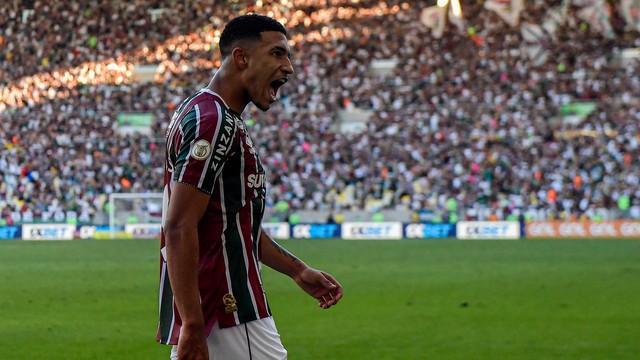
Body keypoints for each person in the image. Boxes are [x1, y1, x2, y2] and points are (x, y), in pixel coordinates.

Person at [156, 14, 343, 360]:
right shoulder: (212, 122)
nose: (288, 67)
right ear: (241, 57)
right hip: (226, 306)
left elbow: (233, 226)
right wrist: (194, 326)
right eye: (277, 54)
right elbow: (179, 226)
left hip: (220, 309)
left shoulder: (210, 115)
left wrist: (297, 270)